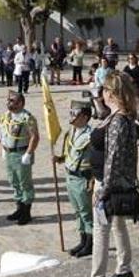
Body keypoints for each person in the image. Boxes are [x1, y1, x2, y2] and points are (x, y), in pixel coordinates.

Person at [80, 71, 139, 277]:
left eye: (103, 90)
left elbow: (113, 157)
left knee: (101, 232)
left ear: (111, 93)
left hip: (108, 184)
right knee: (118, 227)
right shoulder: (118, 116)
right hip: (111, 181)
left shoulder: (118, 121)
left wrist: (103, 190)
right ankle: (124, 269)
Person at [53, 100, 94, 258]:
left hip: (83, 178)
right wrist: (60, 158)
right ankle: (82, 240)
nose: (71, 116)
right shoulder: (70, 132)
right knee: (77, 211)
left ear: (84, 116)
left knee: (86, 213)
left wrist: (93, 180)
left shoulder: (91, 135)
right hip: (70, 176)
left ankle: (90, 243)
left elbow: (97, 160)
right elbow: (70, 153)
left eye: (74, 113)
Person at [0, 91, 40, 225]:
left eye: (12, 101)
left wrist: (29, 153)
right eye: (8, 100)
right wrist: (3, 148)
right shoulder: (6, 116)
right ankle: (19, 208)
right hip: (10, 152)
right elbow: (3, 132)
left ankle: (26, 212)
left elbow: (34, 136)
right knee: (14, 181)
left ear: (20, 103)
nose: (8, 103)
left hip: (21, 153)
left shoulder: (27, 118)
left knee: (25, 183)